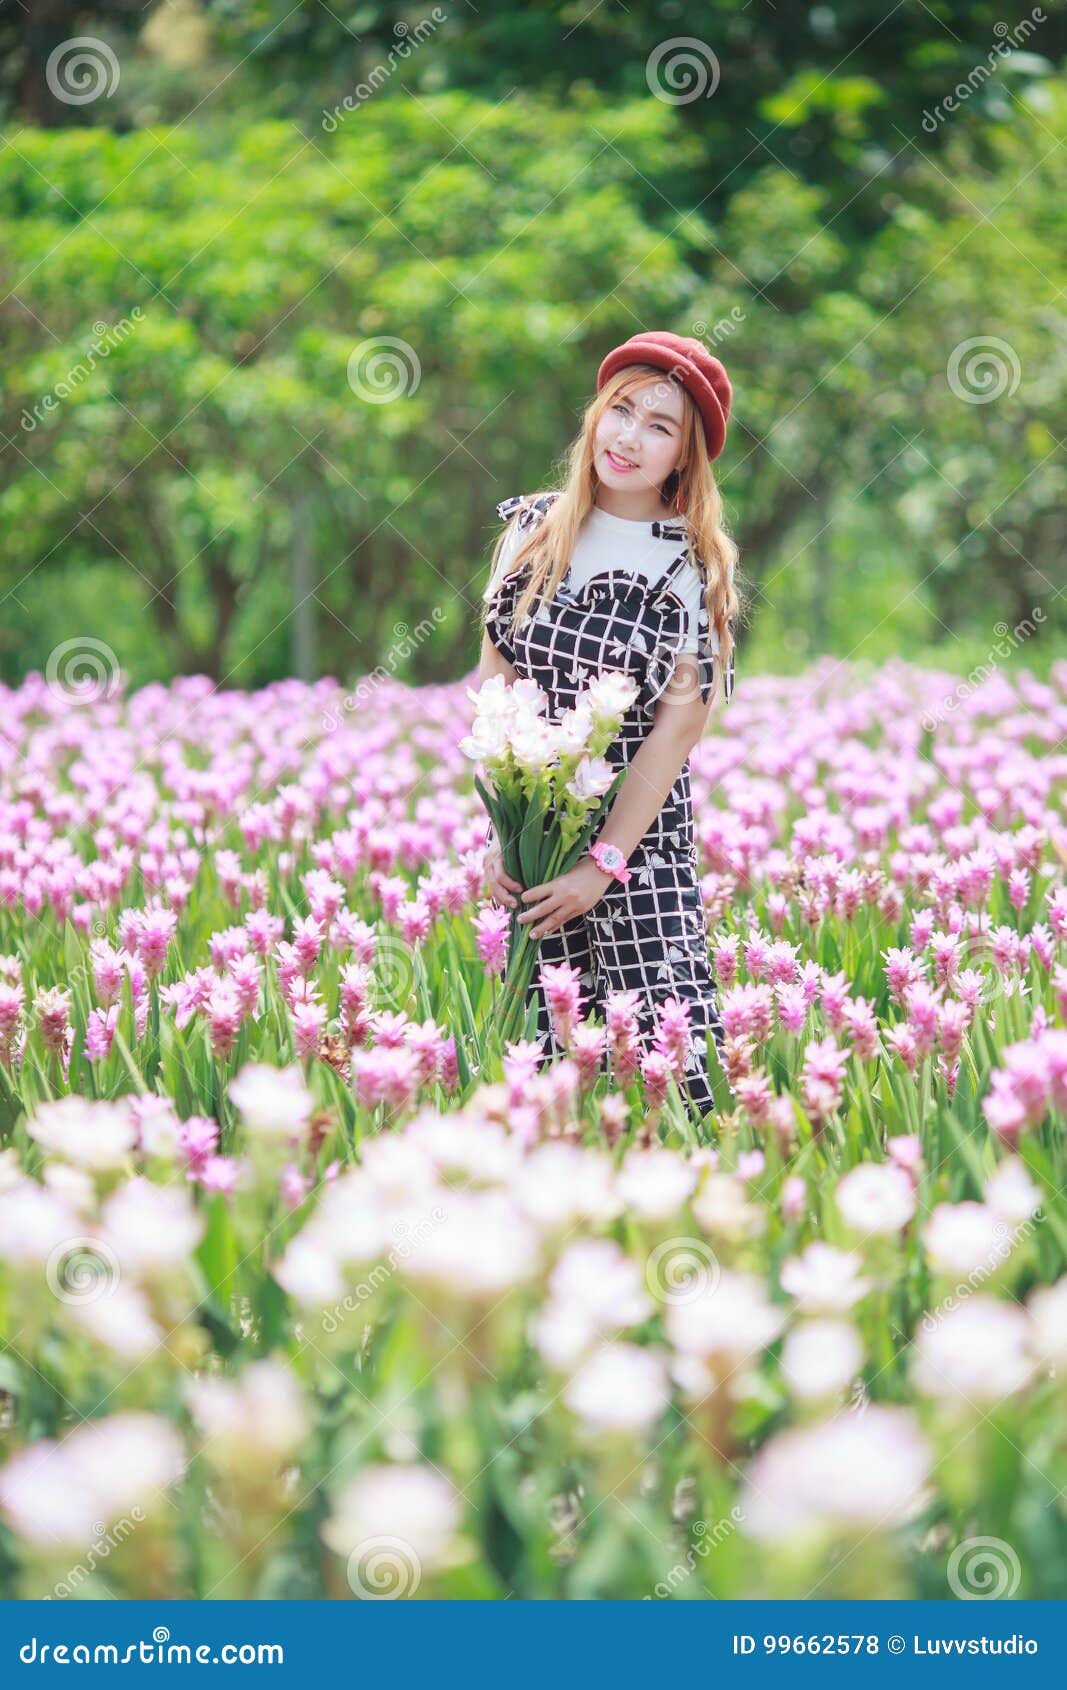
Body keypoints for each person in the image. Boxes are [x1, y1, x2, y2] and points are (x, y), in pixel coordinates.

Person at [477, 330, 741, 1123]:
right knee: (545, 1076)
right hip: (533, 839)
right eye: (620, 411)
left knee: (668, 1072)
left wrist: (602, 865)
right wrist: (503, 829)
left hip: (638, 848)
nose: (628, 437)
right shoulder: (532, 527)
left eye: (659, 426)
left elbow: (673, 735)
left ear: (683, 458)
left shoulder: (689, 563)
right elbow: (498, 684)